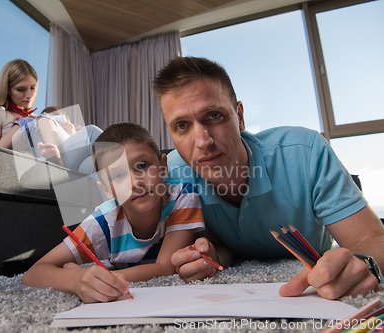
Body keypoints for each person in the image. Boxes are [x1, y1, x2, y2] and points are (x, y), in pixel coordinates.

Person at [152, 56, 384, 299]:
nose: (203, 142)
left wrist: (361, 263)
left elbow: (370, 238)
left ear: (239, 116)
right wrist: (211, 255)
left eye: (213, 116)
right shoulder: (172, 177)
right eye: (181, 126)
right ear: (170, 133)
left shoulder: (305, 152)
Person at [22, 122, 211, 303]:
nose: (135, 183)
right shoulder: (103, 221)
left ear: (163, 166)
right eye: (119, 175)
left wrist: (105, 278)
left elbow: (165, 267)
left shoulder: (182, 197)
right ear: (106, 190)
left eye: (142, 166)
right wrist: (75, 279)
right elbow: (33, 274)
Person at [0, 59, 38, 148]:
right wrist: (20, 126)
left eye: (32, 88)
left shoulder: (36, 118)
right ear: (7, 89)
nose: (29, 95)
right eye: (20, 89)